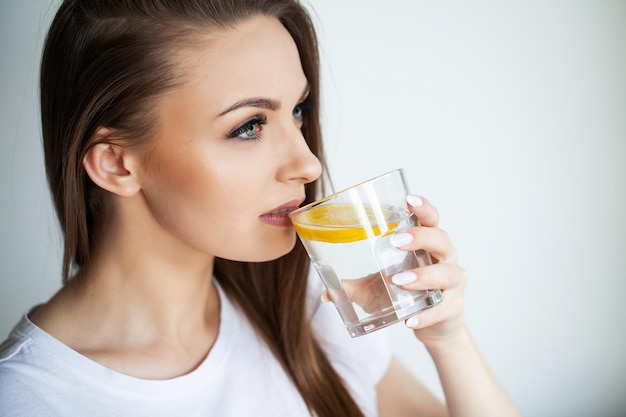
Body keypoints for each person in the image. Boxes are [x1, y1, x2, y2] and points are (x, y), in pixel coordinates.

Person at [0, 1, 521, 416]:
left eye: (298, 112)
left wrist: (448, 341)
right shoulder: (29, 400)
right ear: (116, 164)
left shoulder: (312, 310)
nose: (309, 163)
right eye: (248, 126)